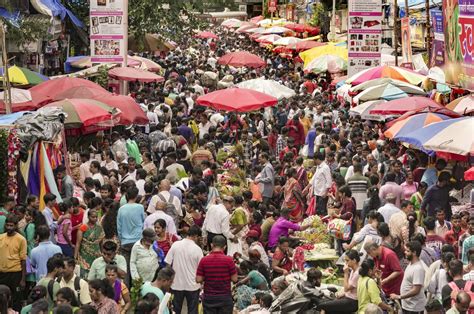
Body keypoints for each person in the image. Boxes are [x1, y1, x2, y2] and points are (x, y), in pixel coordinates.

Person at [164, 225, 203, 314]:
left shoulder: (176, 244)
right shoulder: (197, 250)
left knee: (175, 310)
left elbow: (167, 263)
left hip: (176, 284)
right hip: (193, 286)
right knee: (193, 311)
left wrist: (170, 279)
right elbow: (201, 268)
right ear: (196, 236)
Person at [196, 235, 238, 314]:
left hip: (209, 298)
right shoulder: (229, 260)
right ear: (225, 247)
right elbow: (235, 279)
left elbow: (198, 279)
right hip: (225, 298)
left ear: (211, 245)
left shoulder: (204, 260)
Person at [117, 186, 145, 286]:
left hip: (125, 242)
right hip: (137, 241)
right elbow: (143, 223)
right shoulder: (140, 207)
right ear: (136, 196)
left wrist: (122, 240)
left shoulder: (121, 209)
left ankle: (125, 290)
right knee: (136, 266)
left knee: (126, 268)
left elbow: (119, 228)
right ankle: (137, 288)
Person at [390, 240, 427, 314]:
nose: (405, 252)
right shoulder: (411, 264)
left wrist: (399, 297)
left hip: (414, 308)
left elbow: (416, 290)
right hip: (408, 306)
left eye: (408, 251)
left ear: (414, 253)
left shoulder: (418, 268)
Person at [0, 214, 27, 311]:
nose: (9, 228)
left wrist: (23, 279)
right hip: (2, 273)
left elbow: (23, 260)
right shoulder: (1, 237)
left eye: (11, 225)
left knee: (16, 298)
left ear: (16, 226)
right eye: (7, 225)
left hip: (15, 273)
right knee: (2, 297)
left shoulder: (21, 239)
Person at [74, 210, 104, 278]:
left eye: (96, 217)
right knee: (84, 273)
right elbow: (78, 243)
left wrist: (102, 253)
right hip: (84, 254)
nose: (95, 219)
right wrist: (75, 257)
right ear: (88, 217)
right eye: (93, 217)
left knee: (96, 272)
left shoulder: (99, 228)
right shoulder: (83, 227)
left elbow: (101, 242)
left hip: (96, 253)